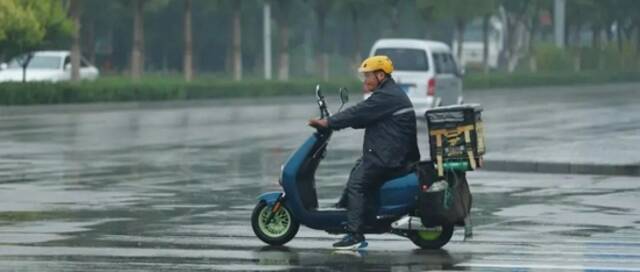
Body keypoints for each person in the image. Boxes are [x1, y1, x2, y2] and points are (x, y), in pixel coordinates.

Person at [308, 55, 420, 249]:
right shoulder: (389, 94)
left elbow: (358, 112)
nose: (365, 80)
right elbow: (362, 117)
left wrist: (329, 123)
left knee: (358, 185)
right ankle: (345, 211)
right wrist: (342, 121)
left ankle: (355, 235)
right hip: (389, 152)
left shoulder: (386, 96)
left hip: (388, 157)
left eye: (368, 75)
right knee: (358, 169)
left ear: (380, 75)